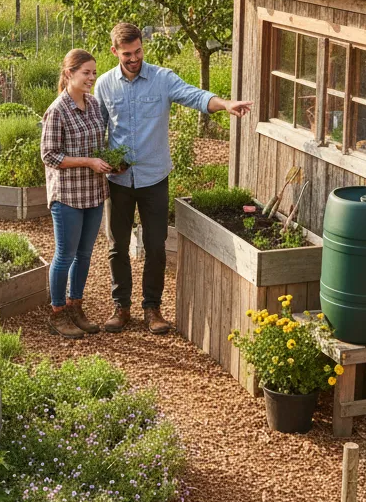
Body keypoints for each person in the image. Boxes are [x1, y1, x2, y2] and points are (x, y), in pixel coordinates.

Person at [95, 22, 253, 335]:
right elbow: (95, 127)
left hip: (154, 178)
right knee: (117, 245)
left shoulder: (162, 79)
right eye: (127, 54)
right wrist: (104, 161)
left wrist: (225, 104)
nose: (134, 58)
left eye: (138, 51)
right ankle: (121, 306)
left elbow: (193, 96)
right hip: (118, 182)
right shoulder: (104, 85)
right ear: (115, 52)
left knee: (155, 246)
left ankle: (152, 308)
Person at [40, 48, 112, 340]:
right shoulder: (57, 110)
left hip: (93, 192)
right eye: (86, 73)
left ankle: (76, 306)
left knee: (84, 255)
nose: (92, 78)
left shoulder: (94, 105)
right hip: (68, 195)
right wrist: (89, 162)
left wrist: (110, 161)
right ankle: (57, 313)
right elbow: (49, 155)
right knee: (65, 255)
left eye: (94, 73)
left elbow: (99, 143)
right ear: (69, 74)